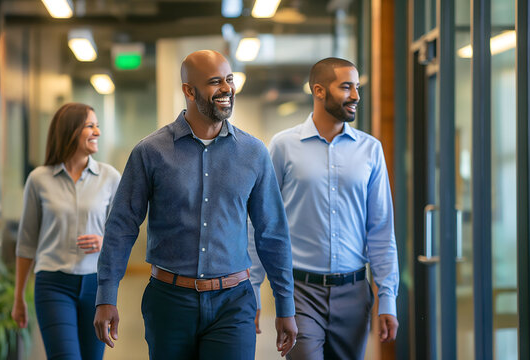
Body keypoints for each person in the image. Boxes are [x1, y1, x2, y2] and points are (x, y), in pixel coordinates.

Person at [93, 50, 297, 360]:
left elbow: (272, 233)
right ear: (189, 90)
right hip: (169, 302)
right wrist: (106, 295)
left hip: (233, 302)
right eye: (215, 82)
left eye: (229, 80)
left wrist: (285, 305)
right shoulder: (151, 152)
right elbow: (121, 225)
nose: (226, 88)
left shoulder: (253, 153)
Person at [249, 57, 399, 360]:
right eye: (346, 87)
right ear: (318, 90)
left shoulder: (370, 149)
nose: (356, 95)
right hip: (298, 293)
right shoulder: (283, 146)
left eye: (356, 86)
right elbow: (261, 223)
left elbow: (381, 229)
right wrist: (252, 290)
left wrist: (387, 298)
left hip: (354, 293)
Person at [11, 103, 121, 360]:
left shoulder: (110, 177)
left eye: (98, 125)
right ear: (71, 131)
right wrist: (19, 297)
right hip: (53, 285)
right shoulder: (39, 180)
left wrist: (104, 241)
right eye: (90, 125)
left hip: (96, 286)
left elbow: (122, 234)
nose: (98, 132)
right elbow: (26, 243)